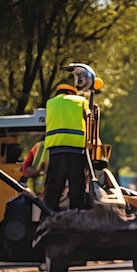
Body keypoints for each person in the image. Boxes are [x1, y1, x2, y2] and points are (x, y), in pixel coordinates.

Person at [43, 83, 90, 211]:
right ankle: (76, 219)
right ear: (72, 93)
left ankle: (49, 218)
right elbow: (90, 119)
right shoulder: (81, 101)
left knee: (53, 189)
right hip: (76, 150)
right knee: (76, 189)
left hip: (56, 150)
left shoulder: (50, 103)